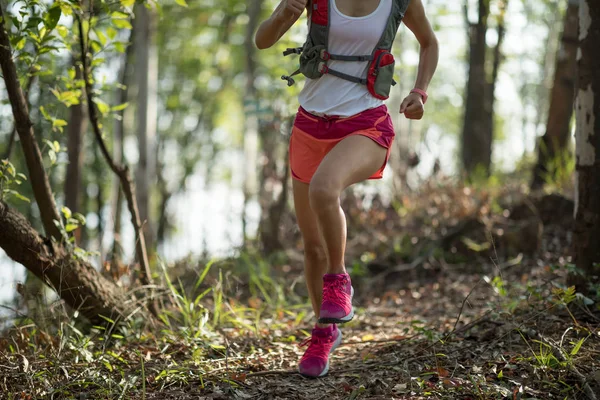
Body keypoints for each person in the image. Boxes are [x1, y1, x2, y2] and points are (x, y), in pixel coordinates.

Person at [255, 0, 438, 378]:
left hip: (366, 124)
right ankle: (324, 332)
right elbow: (262, 40)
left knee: (324, 189)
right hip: (309, 125)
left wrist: (420, 92)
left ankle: (338, 282)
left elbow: (429, 43)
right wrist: (283, 16)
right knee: (312, 248)